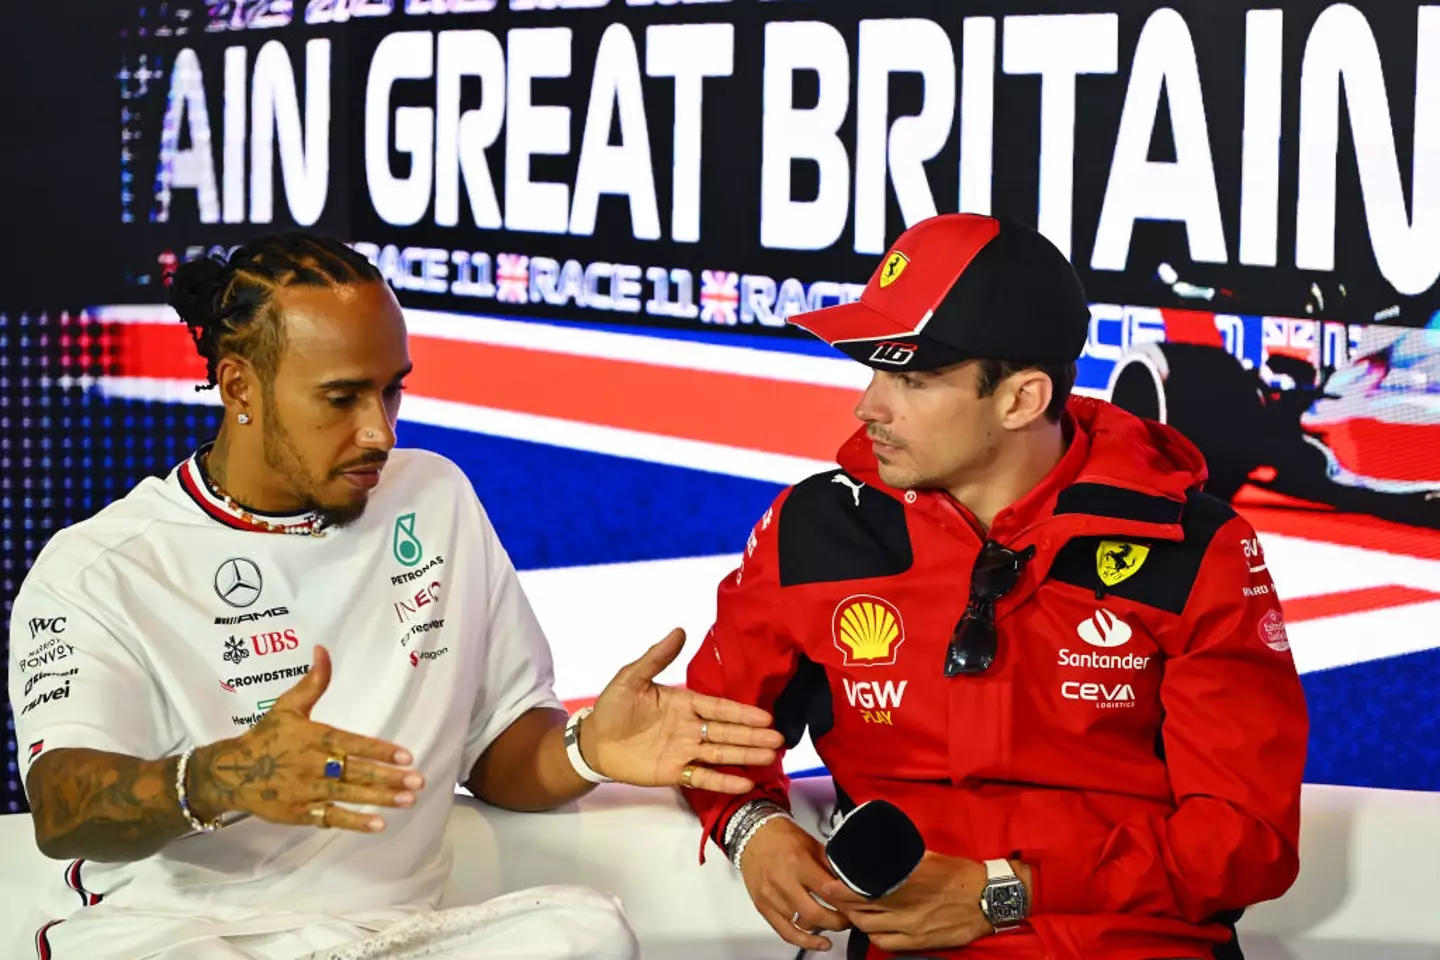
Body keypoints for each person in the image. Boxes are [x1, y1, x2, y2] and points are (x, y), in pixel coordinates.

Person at [6, 232, 783, 960]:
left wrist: (587, 748)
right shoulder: (100, 567)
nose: (379, 432)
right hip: (180, 941)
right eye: (342, 398)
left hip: (386, 939)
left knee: (584, 933)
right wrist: (216, 778)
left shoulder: (435, 499)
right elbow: (65, 807)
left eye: (392, 392)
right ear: (240, 386)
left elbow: (501, 750)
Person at [682, 213, 1308, 960]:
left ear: (1021, 399)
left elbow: (1246, 841)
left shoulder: (1195, 547)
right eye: (873, 371)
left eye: (910, 379)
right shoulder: (817, 528)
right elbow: (712, 735)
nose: (868, 407)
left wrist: (1006, 891)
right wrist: (754, 831)